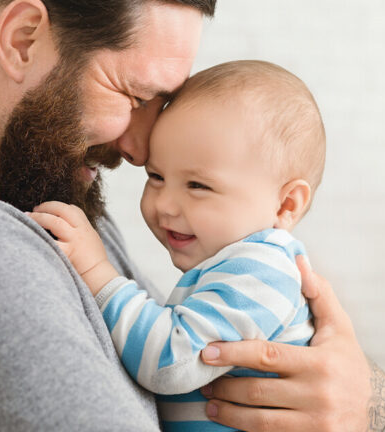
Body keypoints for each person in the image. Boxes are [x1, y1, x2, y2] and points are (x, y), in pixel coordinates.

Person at [0, 1, 385, 431]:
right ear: (22, 38)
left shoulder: (41, 192)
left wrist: (361, 396)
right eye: (135, 97)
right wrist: (364, 404)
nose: (141, 150)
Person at [29, 60, 323, 431]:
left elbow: (170, 360)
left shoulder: (262, 270)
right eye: (156, 176)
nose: (165, 204)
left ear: (285, 205)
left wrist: (97, 273)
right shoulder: (231, 267)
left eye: (198, 186)